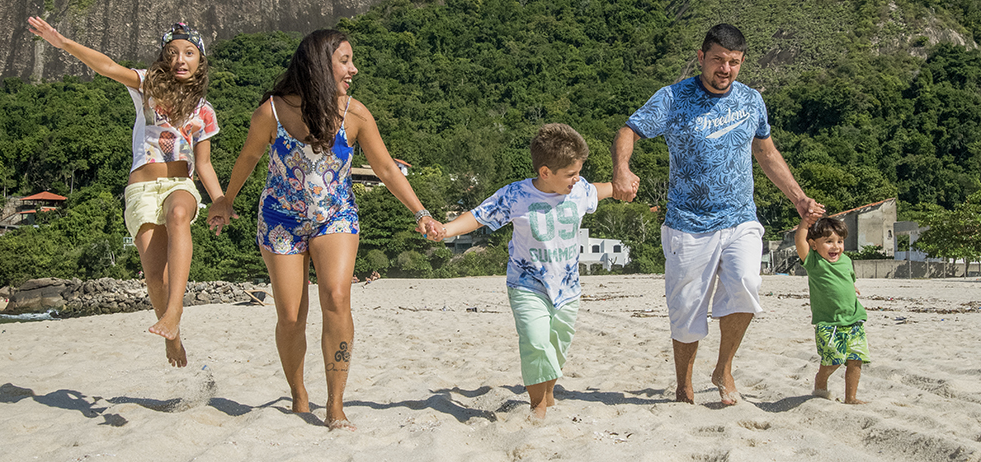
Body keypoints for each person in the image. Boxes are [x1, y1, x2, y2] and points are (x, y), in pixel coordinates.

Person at [207, 29, 438, 431]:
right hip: (281, 218)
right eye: (345, 60)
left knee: (336, 296)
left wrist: (420, 211)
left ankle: (335, 405)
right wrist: (226, 200)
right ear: (320, 64)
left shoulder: (356, 114)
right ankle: (299, 394)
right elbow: (249, 156)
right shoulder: (272, 113)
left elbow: (385, 168)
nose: (354, 69)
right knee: (292, 315)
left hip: (336, 215)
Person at [611, 23, 822, 405]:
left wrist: (799, 198)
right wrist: (622, 169)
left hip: (739, 217)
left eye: (734, 62)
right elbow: (629, 131)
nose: (726, 69)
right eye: (719, 60)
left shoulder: (751, 100)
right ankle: (684, 383)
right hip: (687, 224)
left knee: (745, 286)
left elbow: (766, 152)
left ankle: (723, 368)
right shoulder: (674, 98)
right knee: (687, 309)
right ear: (701, 58)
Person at [27, 16, 224, 368]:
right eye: (173, 52)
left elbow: (204, 164)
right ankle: (172, 335)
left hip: (181, 184)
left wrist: (220, 200)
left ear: (200, 62)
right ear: (165, 59)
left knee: (179, 214)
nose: (180, 59)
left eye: (189, 53)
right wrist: (63, 43)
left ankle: (175, 311)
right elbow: (106, 66)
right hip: (141, 189)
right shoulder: (147, 86)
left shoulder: (204, 111)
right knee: (153, 274)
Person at [433, 123, 614, 419]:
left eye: (579, 172)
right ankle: (537, 406)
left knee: (557, 346)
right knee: (535, 342)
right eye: (570, 174)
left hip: (568, 289)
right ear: (546, 172)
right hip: (527, 285)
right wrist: (446, 229)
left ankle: (548, 392)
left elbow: (601, 190)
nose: (577, 179)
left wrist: (622, 186)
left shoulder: (579, 191)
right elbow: (479, 217)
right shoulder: (516, 196)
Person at [794, 214, 869, 404]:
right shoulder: (814, 262)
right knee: (833, 361)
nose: (836, 246)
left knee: (855, 360)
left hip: (854, 320)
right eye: (829, 241)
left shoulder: (846, 260)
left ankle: (850, 398)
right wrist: (805, 222)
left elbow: (848, 278)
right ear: (813, 244)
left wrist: (852, 286)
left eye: (840, 241)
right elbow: (799, 239)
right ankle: (821, 380)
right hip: (829, 323)